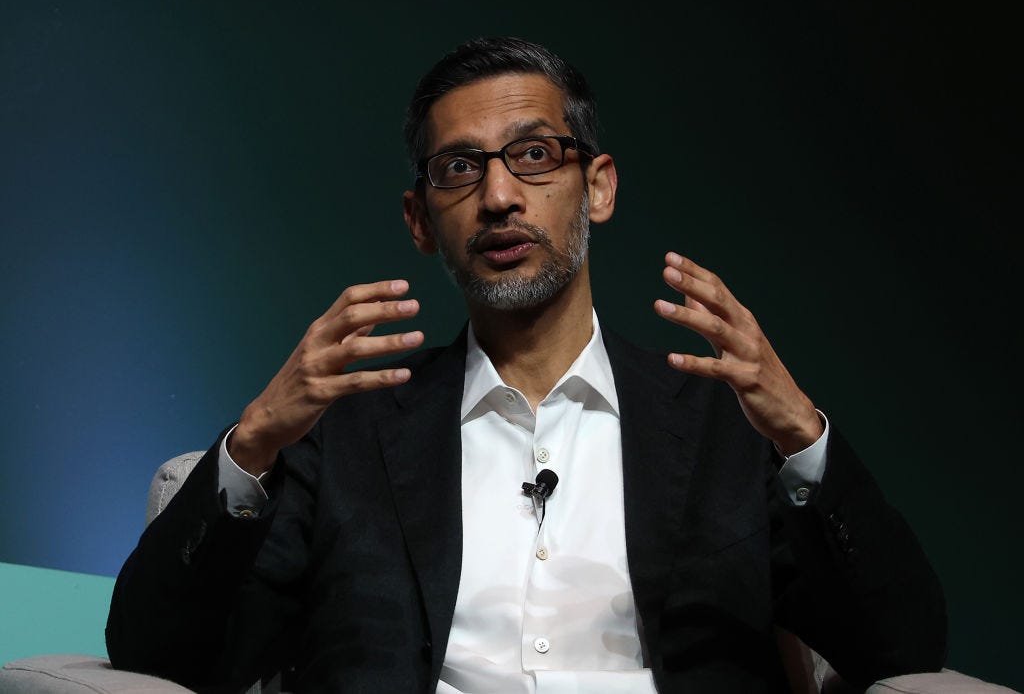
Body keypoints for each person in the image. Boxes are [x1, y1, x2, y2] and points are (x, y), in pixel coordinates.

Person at [106, 36, 946, 693]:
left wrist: (804, 435)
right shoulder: (345, 435)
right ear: (421, 220)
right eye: (460, 168)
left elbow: (900, 650)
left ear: (599, 187)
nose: (499, 195)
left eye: (535, 155)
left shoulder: (726, 422)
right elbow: (162, 657)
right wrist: (253, 444)